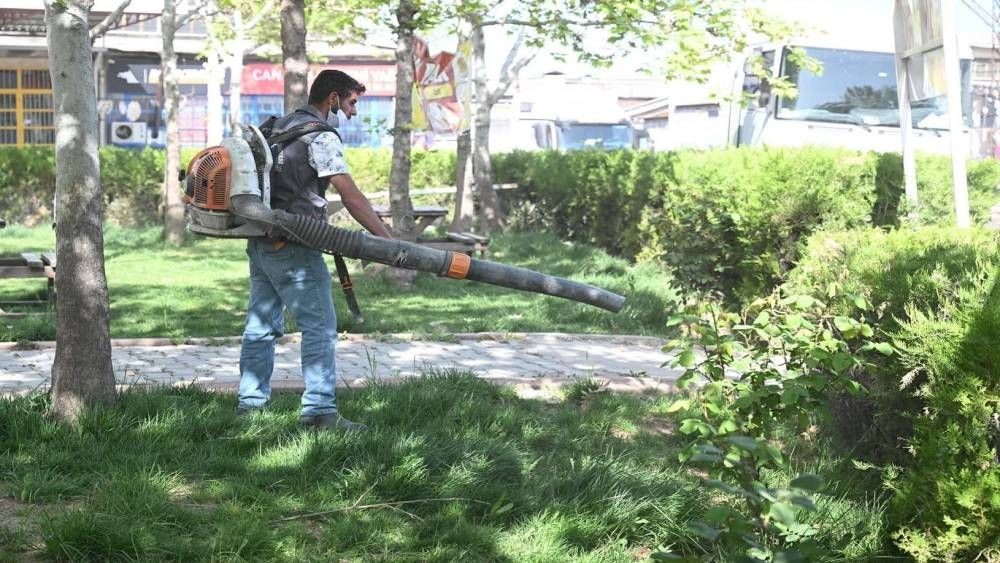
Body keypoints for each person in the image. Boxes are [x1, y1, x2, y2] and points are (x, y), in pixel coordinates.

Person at [237, 69, 392, 431]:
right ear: (333, 98)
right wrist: (386, 239)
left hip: (262, 240)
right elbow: (349, 195)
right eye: (351, 103)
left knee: (260, 328)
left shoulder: (278, 126)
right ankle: (320, 412)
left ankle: (250, 408)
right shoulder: (319, 136)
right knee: (320, 327)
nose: (353, 112)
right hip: (295, 244)